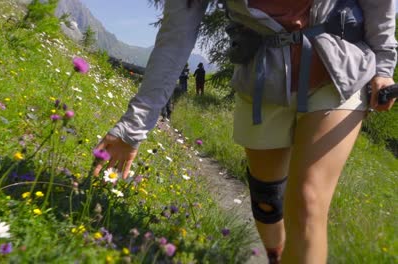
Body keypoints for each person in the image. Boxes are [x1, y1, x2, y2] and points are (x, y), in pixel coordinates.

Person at [93, 0, 397, 263]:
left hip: (339, 71)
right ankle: (275, 256)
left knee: (308, 201)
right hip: (263, 76)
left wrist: (384, 68)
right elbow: (175, 39)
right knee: (267, 201)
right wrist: (133, 128)